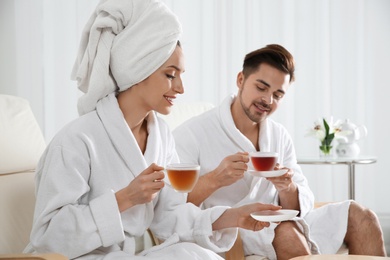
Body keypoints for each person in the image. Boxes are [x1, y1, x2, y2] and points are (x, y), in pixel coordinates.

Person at [23, 1, 281, 259]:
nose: (180, 88)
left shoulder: (161, 136)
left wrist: (233, 216)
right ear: (138, 70)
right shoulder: (76, 140)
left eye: (181, 75)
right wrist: (125, 198)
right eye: (170, 75)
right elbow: (48, 238)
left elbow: (168, 216)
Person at [173, 44, 387, 260]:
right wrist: (215, 179)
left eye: (278, 95)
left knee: (362, 217)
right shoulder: (192, 133)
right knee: (286, 232)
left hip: (280, 220)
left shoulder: (278, 134)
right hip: (232, 230)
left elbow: (297, 204)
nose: (268, 100)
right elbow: (172, 207)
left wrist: (287, 187)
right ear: (240, 80)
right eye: (261, 88)